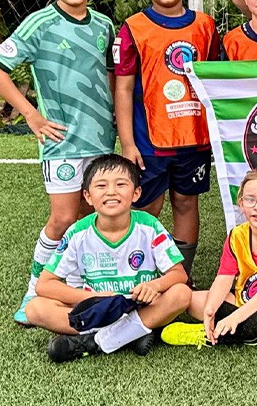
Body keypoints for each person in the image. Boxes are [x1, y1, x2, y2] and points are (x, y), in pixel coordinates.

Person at [0, 0, 116, 324]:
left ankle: (81, 289)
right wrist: (31, 115)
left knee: (93, 219)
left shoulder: (104, 25)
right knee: (62, 219)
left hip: (100, 141)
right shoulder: (40, 23)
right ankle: (33, 289)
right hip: (61, 141)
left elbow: (109, 79)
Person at [114, 0, 220, 283]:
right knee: (147, 208)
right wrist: (128, 143)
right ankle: (140, 274)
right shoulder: (134, 28)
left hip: (194, 137)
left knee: (187, 203)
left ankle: (180, 277)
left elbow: (217, 82)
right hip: (150, 140)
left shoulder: (205, 25)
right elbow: (124, 88)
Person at [25, 154, 192, 362]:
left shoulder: (149, 226)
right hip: (98, 310)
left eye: (121, 184)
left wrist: (155, 286)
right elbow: (44, 285)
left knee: (182, 294)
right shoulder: (78, 232)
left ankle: (95, 342)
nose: (111, 192)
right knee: (35, 309)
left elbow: (179, 274)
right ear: (87, 196)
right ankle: (132, 333)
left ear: (136, 193)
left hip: (139, 305)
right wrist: (93, 298)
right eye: (101, 186)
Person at [161, 170, 257, 348]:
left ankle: (206, 334)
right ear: (241, 203)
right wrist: (210, 310)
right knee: (194, 301)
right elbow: (223, 279)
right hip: (241, 300)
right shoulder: (236, 235)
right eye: (250, 199)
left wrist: (234, 318)